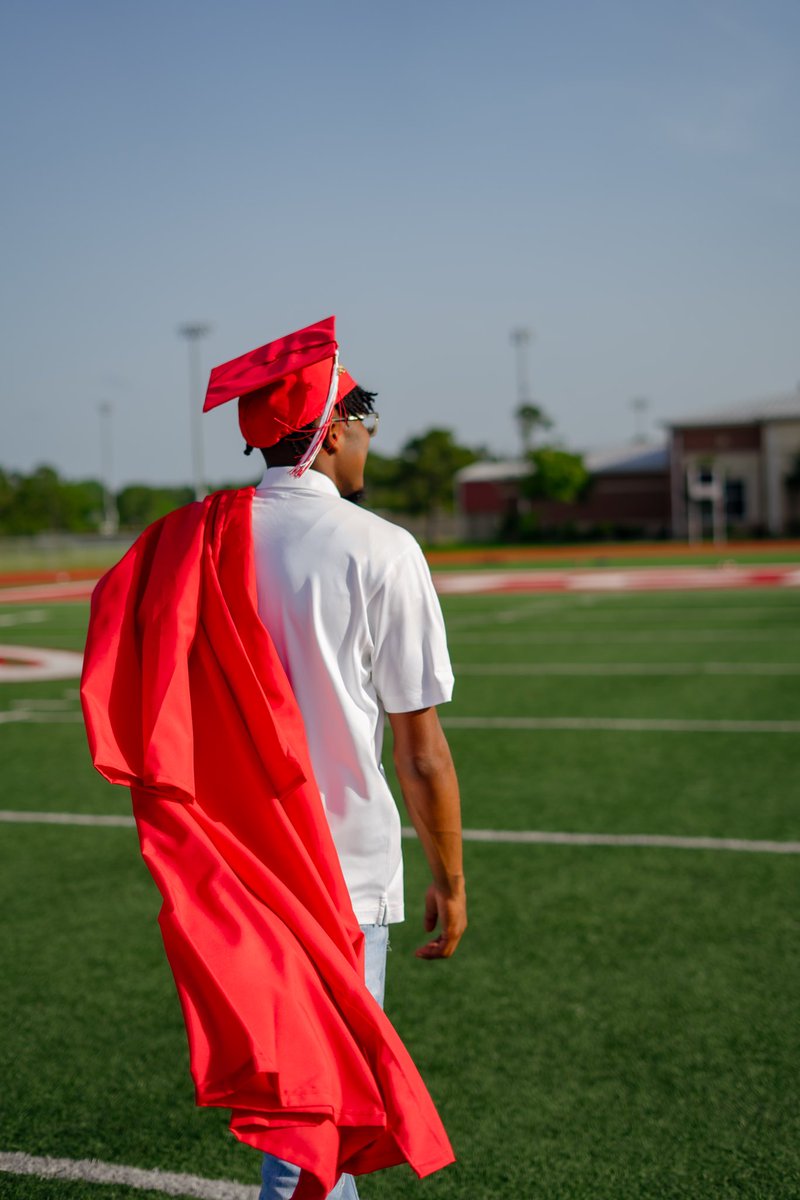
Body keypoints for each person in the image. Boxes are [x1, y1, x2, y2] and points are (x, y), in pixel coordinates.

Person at [202, 316, 466, 1199]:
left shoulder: (202, 542)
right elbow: (421, 752)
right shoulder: (382, 548)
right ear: (333, 430)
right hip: (340, 872)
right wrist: (450, 878)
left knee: (307, 1117)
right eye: (364, 423)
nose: (370, 441)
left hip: (236, 868)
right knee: (311, 1139)